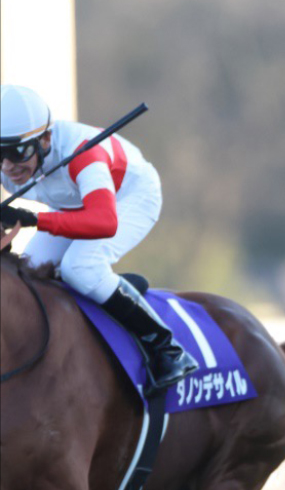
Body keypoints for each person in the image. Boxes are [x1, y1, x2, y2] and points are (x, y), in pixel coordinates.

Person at [0, 84, 198, 395]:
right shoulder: (11, 160)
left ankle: (166, 347)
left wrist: (36, 220)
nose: (7, 167)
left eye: (17, 152)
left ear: (46, 139)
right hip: (73, 202)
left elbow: (104, 222)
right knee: (28, 271)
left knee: (80, 268)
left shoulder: (82, 152)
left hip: (128, 199)